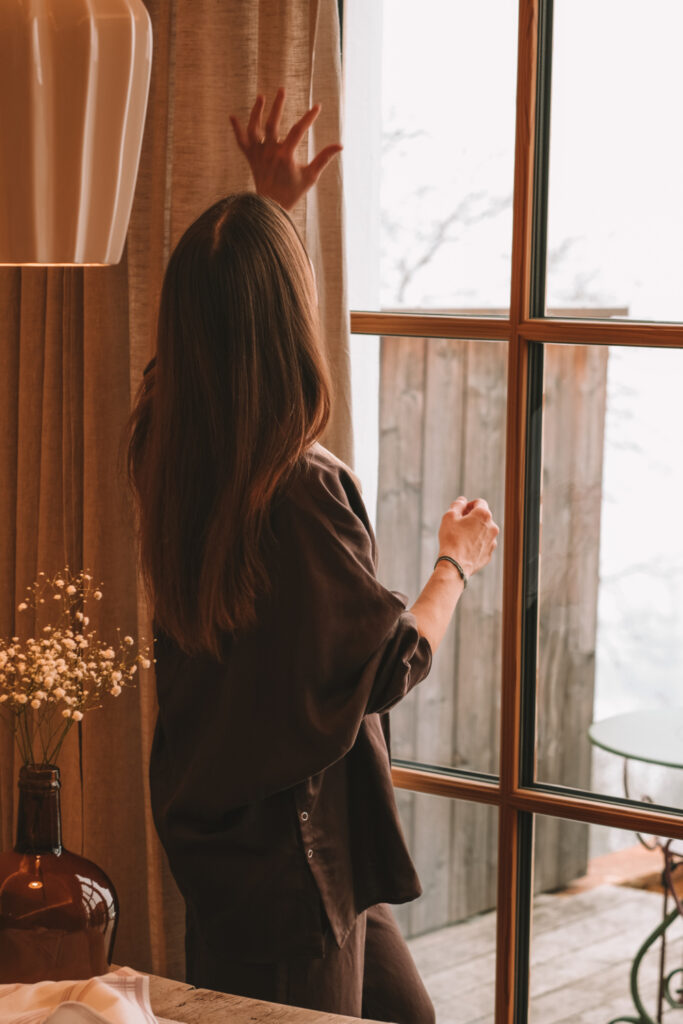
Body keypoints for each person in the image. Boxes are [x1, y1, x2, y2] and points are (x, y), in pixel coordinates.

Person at [127, 90, 499, 1023]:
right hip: (297, 862)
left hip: (242, 841)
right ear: (287, 319)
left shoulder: (165, 439)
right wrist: (456, 561)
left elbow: (221, 334)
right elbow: (386, 666)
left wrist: (269, 208)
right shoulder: (297, 491)